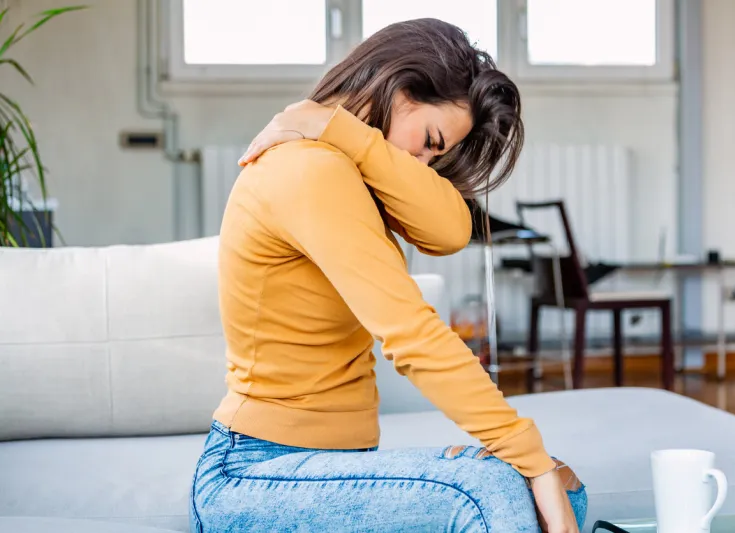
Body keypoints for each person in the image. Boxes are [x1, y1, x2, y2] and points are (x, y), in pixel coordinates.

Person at [190, 18, 587, 533]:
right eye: (428, 140)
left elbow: (449, 228)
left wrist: (347, 131)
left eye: (433, 157)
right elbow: (412, 336)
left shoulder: (350, 160)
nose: (420, 163)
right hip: (255, 471)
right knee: (504, 488)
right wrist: (524, 453)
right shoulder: (307, 171)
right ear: (400, 88)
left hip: (335, 463)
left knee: (563, 490)